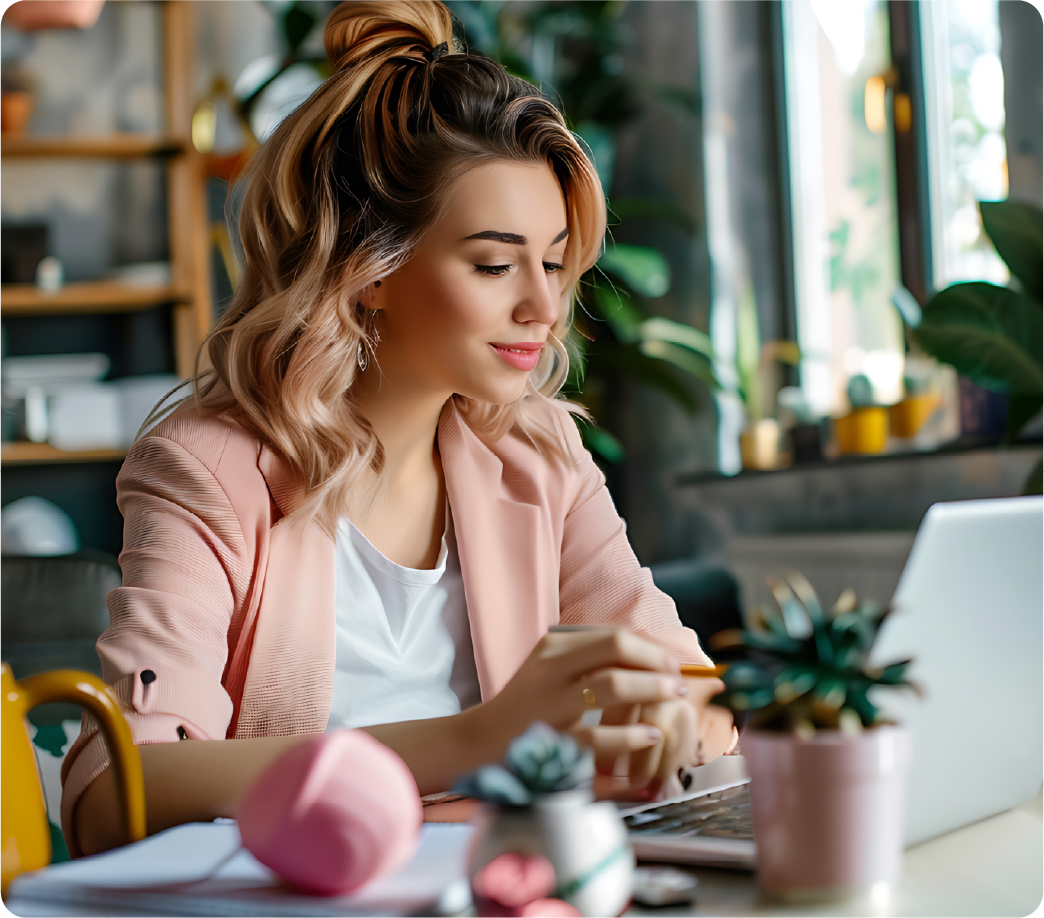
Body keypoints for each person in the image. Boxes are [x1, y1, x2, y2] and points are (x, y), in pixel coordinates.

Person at [61, 0, 736, 857]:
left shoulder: (537, 456)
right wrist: (484, 736)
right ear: (369, 267)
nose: (542, 305)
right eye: (494, 264)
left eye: (555, 261)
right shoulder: (211, 468)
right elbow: (117, 788)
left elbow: (697, 695)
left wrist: (675, 722)